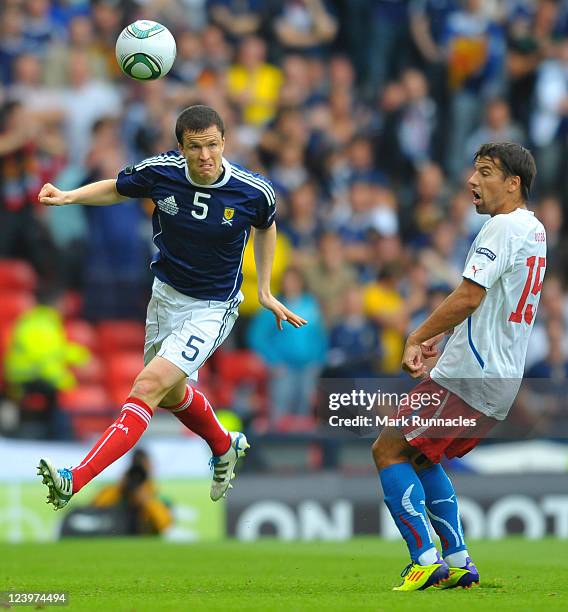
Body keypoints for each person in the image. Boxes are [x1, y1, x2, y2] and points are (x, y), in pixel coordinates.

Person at [36, 104, 307, 510]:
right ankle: (223, 445)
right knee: (168, 393)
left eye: (213, 145)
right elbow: (117, 187)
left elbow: (266, 225)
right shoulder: (161, 172)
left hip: (212, 307)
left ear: (224, 143)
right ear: (180, 147)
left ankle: (74, 479)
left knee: (146, 386)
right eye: (195, 147)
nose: (205, 156)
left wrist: (264, 290)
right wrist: (70, 196)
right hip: (164, 298)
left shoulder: (254, 191)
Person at [371, 143, 545, 591]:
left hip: (470, 374)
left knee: (387, 450)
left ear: (513, 184)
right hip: (499, 377)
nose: (472, 181)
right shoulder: (534, 230)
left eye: (485, 172)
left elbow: (471, 295)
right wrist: (441, 338)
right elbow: (490, 307)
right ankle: (459, 558)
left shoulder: (502, 228)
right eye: (473, 171)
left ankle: (424, 559)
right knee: (423, 456)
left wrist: (416, 334)